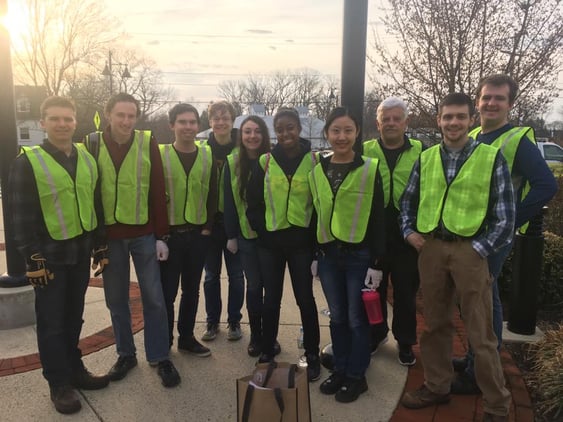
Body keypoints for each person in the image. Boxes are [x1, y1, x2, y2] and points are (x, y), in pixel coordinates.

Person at [399, 93, 514, 422]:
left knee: (481, 333)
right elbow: (409, 201)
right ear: (439, 120)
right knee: (435, 326)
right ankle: (437, 386)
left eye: (460, 117)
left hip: (471, 249)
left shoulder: (491, 158)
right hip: (431, 248)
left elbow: (505, 215)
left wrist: (480, 249)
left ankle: (496, 406)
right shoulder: (428, 157)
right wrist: (409, 233)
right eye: (447, 117)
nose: (453, 123)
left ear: (470, 119)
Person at [451, 74, 558, 394]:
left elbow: (546, 185)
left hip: (493, 239)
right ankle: (476, 357)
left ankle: (479, 372)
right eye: (486, 97)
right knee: (478, 300)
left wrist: (510, 221)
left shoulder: (516, 141)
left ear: (510, 104)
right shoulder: (472, 136)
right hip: (467, 233)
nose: (491, 103)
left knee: (484, 303)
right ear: (478, 101)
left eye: (499, 98)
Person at [10, 96, 109, 414]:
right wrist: (32, 259)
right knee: (52, 323)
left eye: (68, 119)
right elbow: (19, 215)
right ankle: (58, 383)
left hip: (80, 252)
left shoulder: (87, 158)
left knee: (72, 316)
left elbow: (96, 204)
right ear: (43, 123)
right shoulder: (27, 162)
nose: (63, 124)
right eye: (55, 119)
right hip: (49, 258)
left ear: (75, 121)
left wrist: (100, 245)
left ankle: (74, 369)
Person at [84, 93, 180, 388]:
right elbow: (87, 191)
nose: (126, 121)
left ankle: (160, 356)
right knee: (116, 300)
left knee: (154, 297)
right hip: (109, 238)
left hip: (143, 234)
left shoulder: (146, 141)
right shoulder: (92, 143)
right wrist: (93, 239)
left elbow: (157, 188)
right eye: (120, 115)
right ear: (108, 114)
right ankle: (126, 354)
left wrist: (161, 235)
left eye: (131, 115)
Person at [310, 107, 386, 402]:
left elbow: (378, 216)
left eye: (348, 130)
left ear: (357, 134)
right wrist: (315, 253)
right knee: (338, 316)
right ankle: (339, 369)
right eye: (335, 131)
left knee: (357, 319)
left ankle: (357, 375)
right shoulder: (319, 168)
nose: (341, 137)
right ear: (327, 134)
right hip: (328, 256)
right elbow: (315, 212)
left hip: (359, 256)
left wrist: (376, 261)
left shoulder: (369, 167)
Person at [246, 107, 321, 382]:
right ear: (275, 132)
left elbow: (320, 204)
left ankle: (312, 354)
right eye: (280, 129)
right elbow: (252, 200)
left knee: (305, 299)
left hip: (301, 245)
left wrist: (315, 244)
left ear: (298, 129)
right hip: (270, 244)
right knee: (271, 300)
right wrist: (261, 230)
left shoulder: (314, 161)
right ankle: (267, 351)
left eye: (290, 127)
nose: (285, 133)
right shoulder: (265, 161)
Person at [363, 97, 422, 365]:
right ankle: (376, 334)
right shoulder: (364, 150)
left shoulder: (422, 151)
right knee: (372, 290)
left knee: (405, 293)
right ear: (378, 123)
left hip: (408, 233)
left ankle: (406, 341)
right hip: (373, 232)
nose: (391, 123)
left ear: (406, 122)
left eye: (396, 118)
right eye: (385, 119)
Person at [159, 103, 217, 358]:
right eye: (182, 122)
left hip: (197, 235)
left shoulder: (206, 155)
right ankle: (165, 341)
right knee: (167, 292)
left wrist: (207, 228)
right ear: (172, 125)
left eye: (192, 122)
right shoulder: (159, 155)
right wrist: (158, 235)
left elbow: (213, 193)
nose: (188, 127)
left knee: (191, 290)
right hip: (170, 236)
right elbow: (153, 198)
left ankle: (187, 337)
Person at [223, 115, 282, 357]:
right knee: (255, 287)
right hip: (246, 236)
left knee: (273, 289)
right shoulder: (233, 161)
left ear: (264, 135)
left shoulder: (274, 159)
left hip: (272, 236)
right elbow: (227, 200)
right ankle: (256, 336)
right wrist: (231, 235)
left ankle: (271, 338)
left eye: (257, 131)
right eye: (247, 131)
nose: (252, 136)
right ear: (241, 135)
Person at [200, 101, 245, 342]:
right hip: (211, 224)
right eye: (215, 118)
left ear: (232, 120)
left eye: (225, 117)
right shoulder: (203, 150)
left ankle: (235, 321)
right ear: (210, 122)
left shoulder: (243, 149)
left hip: (235, 224)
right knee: (211, 276)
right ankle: (212, 322)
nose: (220, 122)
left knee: (237, 276)